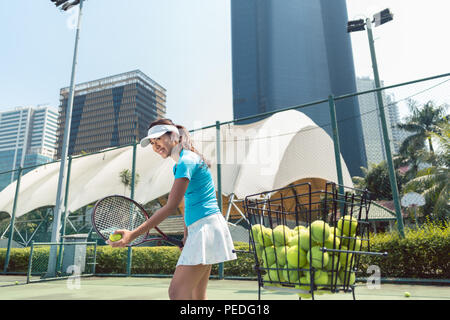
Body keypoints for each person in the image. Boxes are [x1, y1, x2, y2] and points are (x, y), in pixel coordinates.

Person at [107, 118, 237, 300]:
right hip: (204, 228)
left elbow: (171, 207)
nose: (155, 146)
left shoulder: (186, 161)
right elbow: (188, 203)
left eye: (158, 139)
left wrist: (132, 234)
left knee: (177, 293)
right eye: (152, 143)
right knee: (196, 296)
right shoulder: (183, 162)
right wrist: (186, 234)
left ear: (174, 136)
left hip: (206, 228)